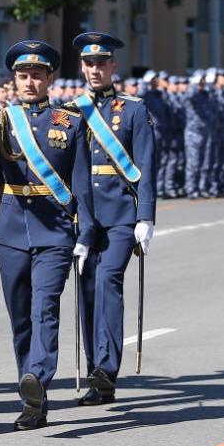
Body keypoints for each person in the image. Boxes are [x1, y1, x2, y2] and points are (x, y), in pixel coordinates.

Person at [0, 41, 94, 431]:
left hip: (54, 230)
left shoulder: (70, 122)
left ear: (50, 78)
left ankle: (39, 373)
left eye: (37, 75)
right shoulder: (3, 118)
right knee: (20, 318)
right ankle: (32, 400)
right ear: (14, 81)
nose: (30, 82)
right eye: (22, 76)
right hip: (12, 229)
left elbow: (81, 183)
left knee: (44, 308)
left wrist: (85, 230)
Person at [64, 33, 155, 405]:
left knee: (108, 279)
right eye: (89, 64)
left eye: (102, 64)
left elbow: (146, 166)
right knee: (87, 291)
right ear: (83, 68)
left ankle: (106, 368)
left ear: (113, 66)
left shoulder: (133, 109)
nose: (95, 70)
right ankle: (95, 372)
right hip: (84, 215)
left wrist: (146, 216)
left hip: (120, 212)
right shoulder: (69, 110)